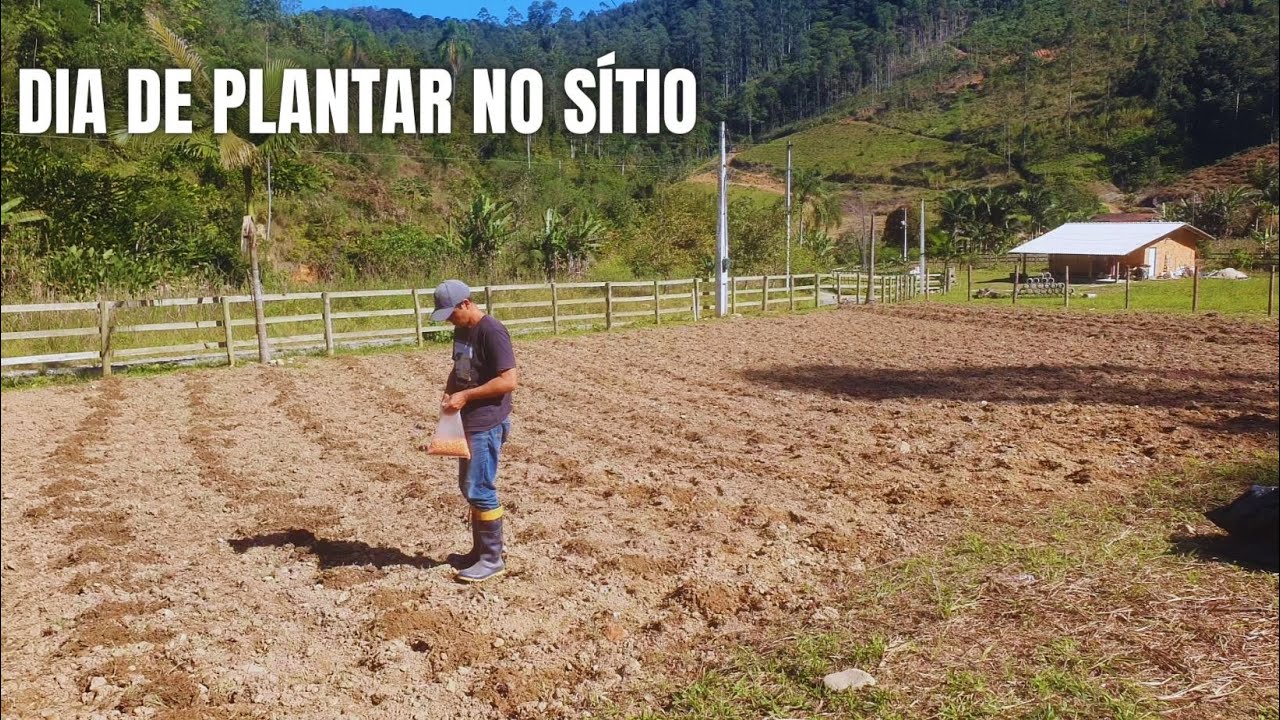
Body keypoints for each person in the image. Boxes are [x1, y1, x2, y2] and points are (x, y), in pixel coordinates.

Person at [430, 279, 518, 583]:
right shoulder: (462, 329)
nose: (450, 321)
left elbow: (508, 380)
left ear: (466, 304)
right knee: (469, 487)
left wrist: (466, 396)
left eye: (452, 314)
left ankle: (492, 559)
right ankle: (479, 551)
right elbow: (459, 368)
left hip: (487, 422)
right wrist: (449, 392)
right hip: (467, 421)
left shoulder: (491, 331)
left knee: (479, 488)